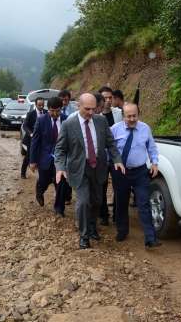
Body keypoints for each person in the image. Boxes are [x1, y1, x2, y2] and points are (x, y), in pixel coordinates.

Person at [55, 93, 125, 249]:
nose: (91, 113)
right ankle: (84, 234)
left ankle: (92, 226)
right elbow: (60, 150)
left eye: (94, 109)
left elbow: (110, 143)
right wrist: (60, 168)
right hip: (79, 169)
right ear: (78, 106)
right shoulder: (68, 124)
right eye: (87, 109)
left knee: (97, 202)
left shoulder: (101, 121)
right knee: (84, 202)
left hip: (98, 168)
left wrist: (117, 160)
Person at [109, 103, 162, 248]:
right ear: (123, 116)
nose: (132, 119)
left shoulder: (145, 128)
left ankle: (150, 238)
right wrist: (112, 163)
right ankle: (122, 231)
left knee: (144, 203)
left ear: (138, 115)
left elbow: (151, 147)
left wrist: (154, 163)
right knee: (121, 202)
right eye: (129, 116)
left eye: (135, 116)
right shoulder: (114, 130)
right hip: (121, 172)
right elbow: (108, 148)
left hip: (140, 172)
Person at [29, 97, 68, 216]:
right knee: (44, 181)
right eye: (52, 111)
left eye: (58, 111)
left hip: (61, 159)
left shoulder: (66, 120)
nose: (55, 114)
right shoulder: (41, 120)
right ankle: (39, 189)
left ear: (61, 109)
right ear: (48, 109)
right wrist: (33, 161)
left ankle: (59, 208)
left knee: (61, 184)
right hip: (45, 157)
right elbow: (35, 141)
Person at [98, 87, 123, 225]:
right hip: (101, 156)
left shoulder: (119, 113)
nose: (108, 100)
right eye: (105, 98)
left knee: (119, 185)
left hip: (116, 156)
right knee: (102, 185)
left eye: (110, 97)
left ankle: (117, 214)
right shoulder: (95, 115)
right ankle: (103, 214)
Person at [21, 97, 46, 179]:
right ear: (35, 105)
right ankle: (23, 173)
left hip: (44, 139)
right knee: (28, 156)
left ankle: (44, 175)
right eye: (39, 105)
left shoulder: (47, 113)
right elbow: (25, 125)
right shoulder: (30, 114)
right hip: (32, 138)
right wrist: (31, 133)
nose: (41, 107)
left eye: (43, 105)